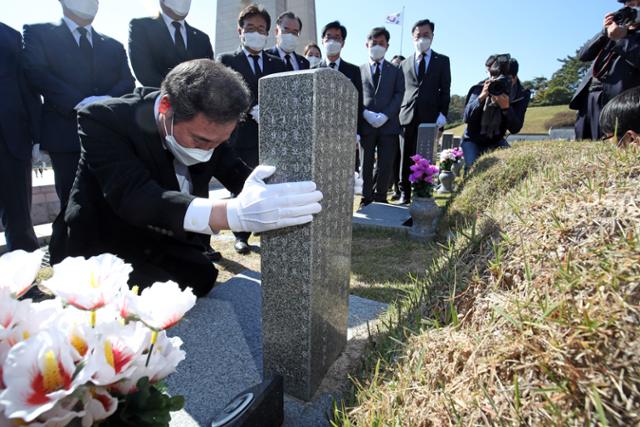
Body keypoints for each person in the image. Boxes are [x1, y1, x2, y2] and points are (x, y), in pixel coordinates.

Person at [64, 59, 322, 298]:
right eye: (201, 141)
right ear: (166, 107)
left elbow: (237, 173)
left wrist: (298, 191)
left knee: (202, 276)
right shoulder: (103, 119)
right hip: (105, 240)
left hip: (163, 239)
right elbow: (135, 196)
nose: (208, 151)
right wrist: (230, 214)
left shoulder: (209, 130)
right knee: (146, 298)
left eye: (219, 142)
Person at [23, 0, 136, 264]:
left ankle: (105, 251)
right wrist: (79, 100)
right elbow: (36, 72)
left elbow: (127, 82)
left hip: (108, 132)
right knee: (70, 196)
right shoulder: (38, 33)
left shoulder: (112, 44)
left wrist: (104, 99)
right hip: (65, 131)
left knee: (107, 195)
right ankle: (65, 251)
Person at [217, 3, 286, 255]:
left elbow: (284, 94)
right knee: (242, 184)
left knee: (271, 183)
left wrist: (269, 111)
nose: (256, 32)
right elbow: (225, 92)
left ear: (268, 32)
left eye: (261, 28)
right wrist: (250, 109)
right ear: (240, 30)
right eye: (250, 27)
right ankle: (241, 235)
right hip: (242, 133)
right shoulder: (227, 60)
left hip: (271, 135)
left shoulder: (278, 63)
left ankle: (270, 231)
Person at [570, 0, 640, 141]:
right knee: (584, 141)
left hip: (619, 100)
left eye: (636, 4)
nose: (631, 8)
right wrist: (604, 32)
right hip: (590, 94)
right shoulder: (614, 30)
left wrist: (622, 39)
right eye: (628, 3)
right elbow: (584, 55)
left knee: (610, 141)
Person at [398, 19, 451, 204]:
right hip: (407, 115)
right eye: (418, 35)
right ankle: (404, 192)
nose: (422, 38)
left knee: (425, 157)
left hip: (430, 116)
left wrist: (443, 113)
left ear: (432, 36)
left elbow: (445, 89)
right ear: (413, 37)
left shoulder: (442, 61)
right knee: (405, 157)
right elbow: (400, 91)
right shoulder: (404, 63)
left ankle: (423, 191)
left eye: (426, 35)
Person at [0, 22, 40, 252]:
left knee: (19, 219)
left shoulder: (10, 36)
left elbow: (28, 88)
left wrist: (37, 136)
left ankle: (26, 278)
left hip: (12, 140)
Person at [358, 27, 404, 206]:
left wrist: (386, 115)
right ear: (367, 44)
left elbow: (399, 94)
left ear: (387, 46)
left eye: (381, 43)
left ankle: (381, 196)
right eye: (374, 43)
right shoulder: (359, 70)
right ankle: (366, 196)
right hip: (366, 123)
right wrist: (365, 113)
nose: (377, 46)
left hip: (388, 124)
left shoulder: (395, 70)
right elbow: (355, 94)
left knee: (386, 163)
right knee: (366, 163)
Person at [461, 56, 531, 170]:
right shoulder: (481, 87)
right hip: (472, 139)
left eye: (505, 78)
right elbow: (466, 118)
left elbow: (515, 128)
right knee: (471, 168)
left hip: (497, 140)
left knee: (512, 166)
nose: (498, 81)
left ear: (514, 78)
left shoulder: (521, 95)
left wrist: (506, 108)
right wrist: (481, 97)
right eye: (495, 76)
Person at [128, 0, 214, 88]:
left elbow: (210, 75)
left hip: (196, 99)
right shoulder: (141, 27)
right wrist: (173, 94)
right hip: (158, 97)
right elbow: (144, 71)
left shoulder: (202, 38)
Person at [315, 21, 364, 171]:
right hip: (320, 131)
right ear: (322, 40)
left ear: (343, 43)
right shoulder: (312, 70)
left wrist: (357, 132)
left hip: (344, 132)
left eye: (337, 38)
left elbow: (358, 102)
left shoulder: (353, 70)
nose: (332, 41)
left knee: (341, 172)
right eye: (329, 37)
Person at [389, 54, 405, 201]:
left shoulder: (406, 82)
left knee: (401, 158)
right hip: (388, 124)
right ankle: (394, 188)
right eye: (394, 64)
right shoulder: (388, 81)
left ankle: (401, 189)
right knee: (391, 159)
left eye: (400, 64)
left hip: (403, 124)